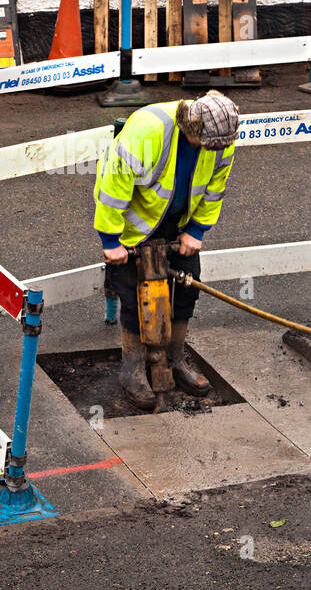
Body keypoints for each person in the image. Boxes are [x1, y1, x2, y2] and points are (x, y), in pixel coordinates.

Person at [93, 91, 239, 409]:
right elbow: (113, 186)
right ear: (192, 127)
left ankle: (175, 360)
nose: (218, 151)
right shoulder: (147, 133)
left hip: (180, 224)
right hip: (134, 226)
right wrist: (111, 242)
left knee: (188, 286)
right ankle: (132, 371)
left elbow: (215, 188)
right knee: (132, 296)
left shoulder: (220, 141)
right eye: (211, 145)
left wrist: (196, 231)